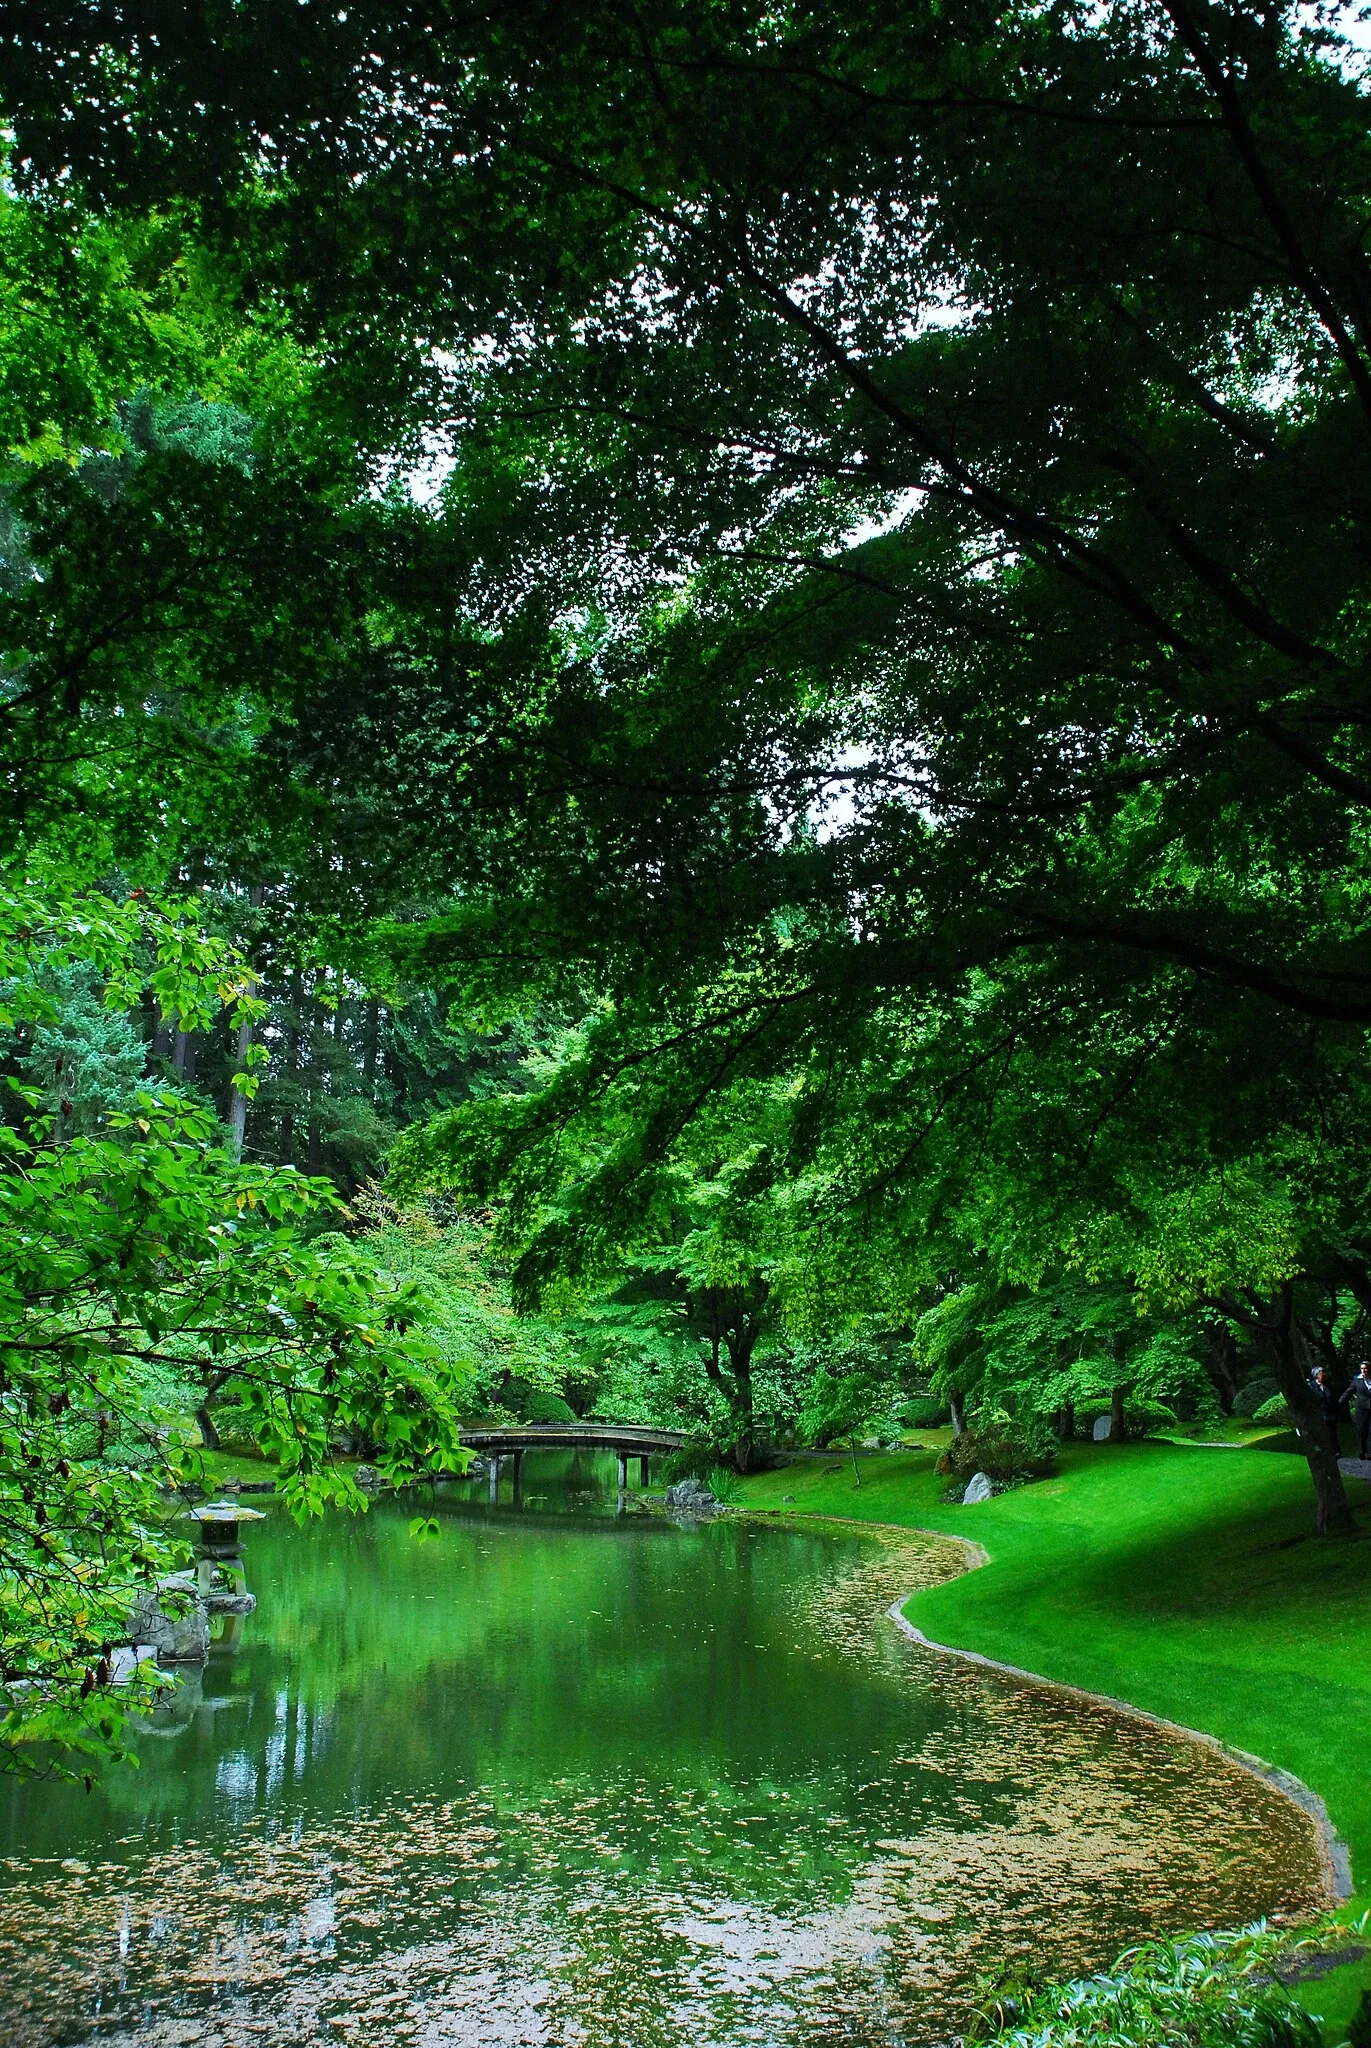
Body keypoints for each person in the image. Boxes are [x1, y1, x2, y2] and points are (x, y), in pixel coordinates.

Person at [1309, 1365, 1342, 1457]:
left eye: (1323, 1372)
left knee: (1333, 1434)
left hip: (1331, 1414)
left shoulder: (1328, 1385)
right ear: (1316, 1375)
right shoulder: (1312, 1386)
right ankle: (1326, 1451)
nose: (1323, 1374)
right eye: (1321, 1373)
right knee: (1324, 1434)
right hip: (1320, 1414)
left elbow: (1334, 1398)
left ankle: (1336, 1451)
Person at [1342, 1360, 1371, 1461]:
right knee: (1361, 1430)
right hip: (1361, 1408)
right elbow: (1348, 1391)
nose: (1364, 1370)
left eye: (1365, 1368)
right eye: (1362, 1369)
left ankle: (1370, 1453)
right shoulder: (1357, 1379)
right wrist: (1339, 1403)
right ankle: (1362, 1451)